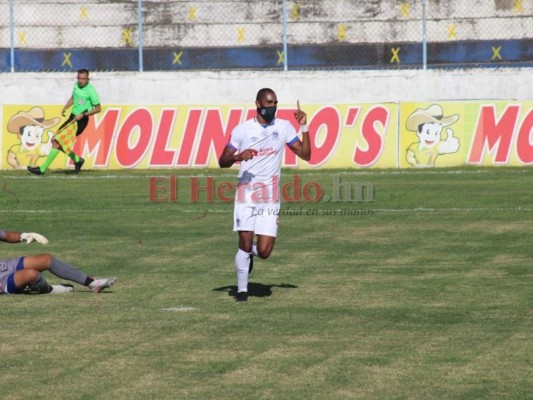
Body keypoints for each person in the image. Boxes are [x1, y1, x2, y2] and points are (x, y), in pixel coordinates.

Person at [218, 88, 311, 302]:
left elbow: (306, 155)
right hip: (246, 193)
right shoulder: (242, 130)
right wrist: (240, 156)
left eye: (275, 103)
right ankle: (242, 291)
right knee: (244, 238)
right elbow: (222, 161)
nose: (272, 107)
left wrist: (304, 126)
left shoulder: (284, 127)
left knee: (265, 251)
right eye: (269, 103)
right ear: (258, 104)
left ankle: (248, 254)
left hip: (270, 196)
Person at [28, 68, 101, 175]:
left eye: (83, 79)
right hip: (72, 118)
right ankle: (77, 160)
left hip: (80, 121)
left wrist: (84, 114)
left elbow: (98, 108)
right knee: (54, 140)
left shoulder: (91, 91)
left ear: (87, 79)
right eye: (79, 78)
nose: (81, 81)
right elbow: (73, 98)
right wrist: (65, 107)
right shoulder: (76, 86)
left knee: (57, 142)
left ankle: (42, 169)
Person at [0, 228, 116, 294]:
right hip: (2, 281)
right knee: (31, 274)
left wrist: (24, 236)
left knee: (47, 259)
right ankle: (50, 289)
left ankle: (92, 283)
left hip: (4, 266)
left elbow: (7, 236)